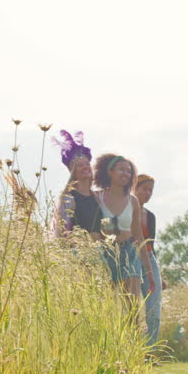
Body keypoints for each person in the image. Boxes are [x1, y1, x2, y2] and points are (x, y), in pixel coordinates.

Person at [94, 154, 156, 320]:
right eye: (121, 169)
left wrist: (149, 272)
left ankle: (134, 342)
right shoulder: (97, 197)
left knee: (132, 305)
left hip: (129, 251)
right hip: (107, 252)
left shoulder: (133, 201)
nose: (126, 174)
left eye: (129, 171)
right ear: (110, 172)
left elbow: (139, 236)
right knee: (108, 304)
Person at [50, 130, 102, 240]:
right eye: (80, 165)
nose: (85, 167)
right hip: (79, 253)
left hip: (99, 254)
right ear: (72, 171)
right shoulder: (68, 199)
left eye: (87, 164)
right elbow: (61, 233)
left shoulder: (97, 198)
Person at [134, 174, 164, 350]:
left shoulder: (150, 216)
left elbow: (151, 244)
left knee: (154, 308)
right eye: (144, 189)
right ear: (134, 189)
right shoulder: (125, 211)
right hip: (131, 257)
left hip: (150, 259)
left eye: (150, 190)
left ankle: (150, 352)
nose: (147, 193)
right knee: (131, 308)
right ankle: (131, 351)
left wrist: (157, 274)